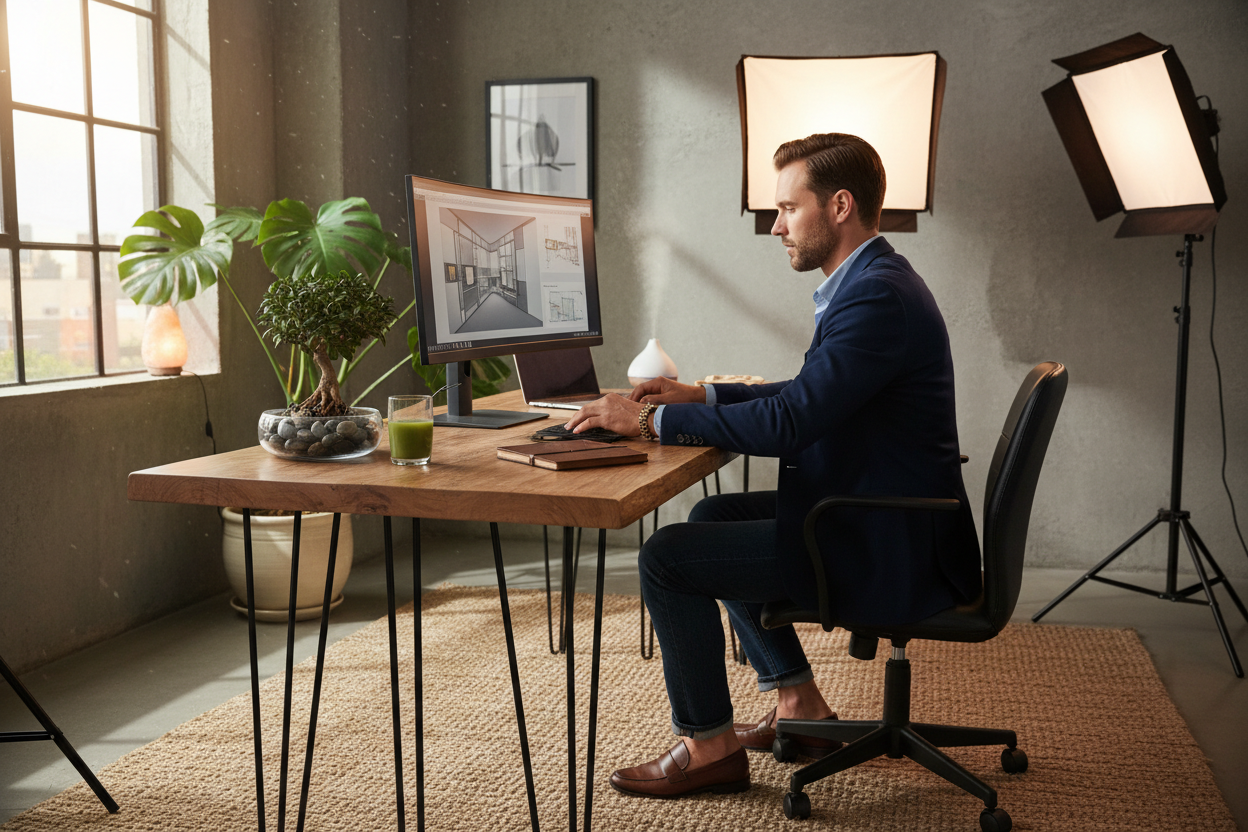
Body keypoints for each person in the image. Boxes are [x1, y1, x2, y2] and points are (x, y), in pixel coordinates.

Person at [566, 133, 981, 799]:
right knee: (713, 513)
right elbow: (806, 394)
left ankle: (708, 747)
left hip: (888, 539)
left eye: (788, 208)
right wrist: (701, 394)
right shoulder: (874, 282)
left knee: (667, 558)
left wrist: (647, 420)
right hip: (883, 506)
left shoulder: (876, 298)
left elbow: (792, 422)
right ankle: (801, 707)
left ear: (840, 205)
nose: (775, 226)